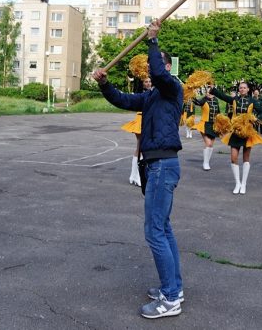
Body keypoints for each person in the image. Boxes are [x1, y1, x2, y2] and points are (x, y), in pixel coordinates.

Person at [93, 19, 184, 319]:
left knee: (154, 231)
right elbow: (122, 99)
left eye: (152, 69)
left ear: (167, 67)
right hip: (156, 166)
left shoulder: (172, 88)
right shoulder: (151, 96)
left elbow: (158, 72)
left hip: (162, 166)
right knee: (164, 229)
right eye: (145, 72)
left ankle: (170, 299)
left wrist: (153, 41)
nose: (148, 75)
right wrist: (105, 84)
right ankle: (174, 288)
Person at [212, 81, 262, 194]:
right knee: (233, 157)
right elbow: (223, 96)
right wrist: (213, 89)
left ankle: (244, 184)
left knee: (246, 158)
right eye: (240, 88)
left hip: (247, 132)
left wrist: (255, 120)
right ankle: (237, 183)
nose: (242, 89)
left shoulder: (253, 101)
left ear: (248, 89)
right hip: (235, 131)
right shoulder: (234, 99)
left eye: (244, 88)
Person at [119, 77, 152, 187]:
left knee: (144, 148)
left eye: (149, 81)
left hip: (149, 121)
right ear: (142, 84)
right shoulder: (141, 94)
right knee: (140, 148)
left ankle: (135, 175)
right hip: (140, 120)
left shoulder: (153, 93)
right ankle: (135, 175)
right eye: (146, 82)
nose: (148, 83)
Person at [192, 89, 220, 171]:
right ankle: (205, 163)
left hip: (214, 125)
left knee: (211, 144)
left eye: (211, 92)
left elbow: (218, 112)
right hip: (204, 124)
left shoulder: (216, 100)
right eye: (207, 92)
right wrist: (191, 94)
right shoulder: (204, 100)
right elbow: (197, 102)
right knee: (208, 143)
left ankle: (207, 161)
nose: (209, 93)